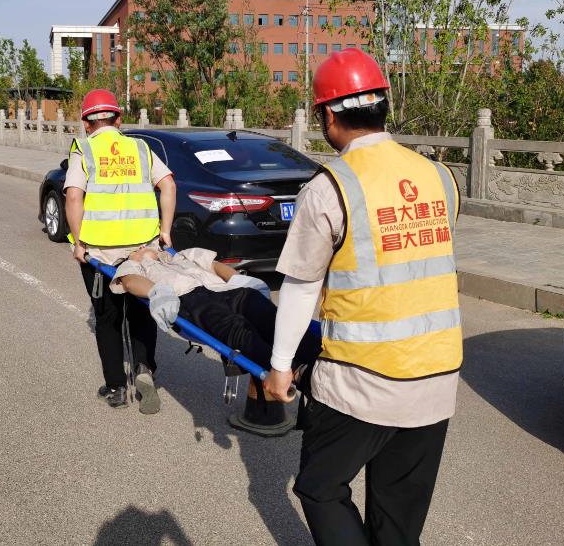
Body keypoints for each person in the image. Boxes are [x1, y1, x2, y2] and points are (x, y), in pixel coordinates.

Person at [263, 49, 461, 546]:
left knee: (320, 487)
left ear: (329, 115)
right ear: (383, 104)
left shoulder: (329, 187)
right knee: (398, 521)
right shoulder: (439, 176)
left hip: (361, 380)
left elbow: (302, 286)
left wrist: (280, 367)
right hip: (436, 378)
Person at [110, 246, 322, 437]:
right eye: (137, 249)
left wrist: (236, 278)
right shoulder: (134, 265)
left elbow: (215, 266)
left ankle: (323, 359)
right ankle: (297, 373)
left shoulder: (182, 255)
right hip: (188, 298)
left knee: (274, 320)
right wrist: (156, 291)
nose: (142, 246)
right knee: (237, 329)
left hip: (229, 290)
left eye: (145, 244)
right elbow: (130, 281)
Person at [65, 89, 177, 413]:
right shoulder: (140, 148)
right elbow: (168, 184)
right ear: (118, 119)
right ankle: (143, 367)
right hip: (143, 249)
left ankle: (116, 387)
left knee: (107, 319)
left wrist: (79, 242)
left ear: (87, 123)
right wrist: (165, 231)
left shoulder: (83, 150)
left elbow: (73, 197)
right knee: (142, 312)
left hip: (100, 254)